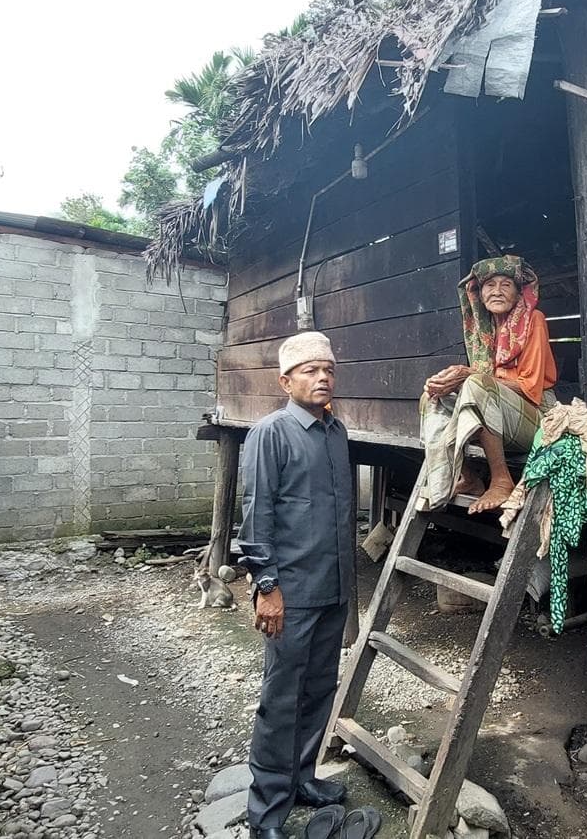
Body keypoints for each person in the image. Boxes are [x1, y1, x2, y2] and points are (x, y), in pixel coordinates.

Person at [237, 331, 355, 839]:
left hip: (333, 588)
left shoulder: (336, 433)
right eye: (310, 370)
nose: (323, 377)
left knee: (319, 689)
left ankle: (303, 778)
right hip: (292, 593)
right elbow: (257, 516)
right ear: (285, 381)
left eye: (328, 369)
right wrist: (267, 586)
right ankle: (266, 811)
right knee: (281, 698)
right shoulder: (271, 433)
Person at [420, 255, 557, 514]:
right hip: (495, 414)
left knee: (476, 384)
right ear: (479, 294)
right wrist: (447, 383)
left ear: (518, 293)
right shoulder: (483, 331)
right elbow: (479, 382)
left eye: (506, 285)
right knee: (432, 396)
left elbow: (530, 388)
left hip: (538, 418)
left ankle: (502, 479)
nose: (497, 291)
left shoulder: (533, 319)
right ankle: (467, 476)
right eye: (490, 285)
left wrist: (468, 377)